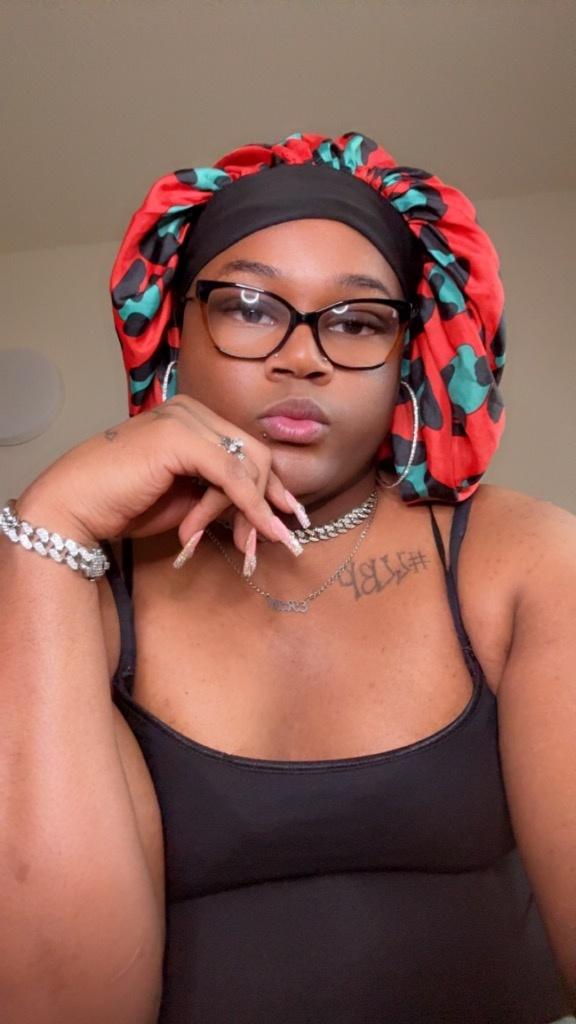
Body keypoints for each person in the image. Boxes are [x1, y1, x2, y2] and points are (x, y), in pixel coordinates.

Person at [1, 131, 575, 1024]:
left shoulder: (524, 558)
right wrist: (50, 528)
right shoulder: (80, 585)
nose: (302, 356)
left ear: (405, 359)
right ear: (174, 332)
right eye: (248, 306)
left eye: (357, 321)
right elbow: (61, 1003)